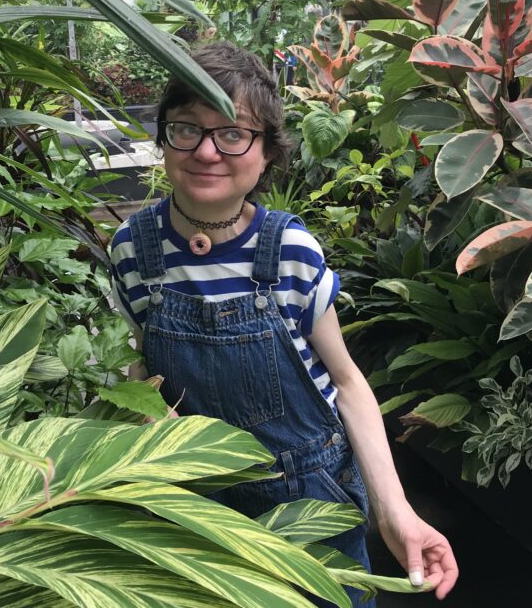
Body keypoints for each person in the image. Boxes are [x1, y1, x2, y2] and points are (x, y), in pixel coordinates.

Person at [109, 41, 458, 605]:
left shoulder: (289, 250)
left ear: (267, 151)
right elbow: (135, 380)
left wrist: (397, 515)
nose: (206, 151)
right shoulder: (132, 250)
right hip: (196, 503)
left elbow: (347, 384)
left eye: (232, 132)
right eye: (186, 128)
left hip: (309, 497)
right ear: (164, 138)